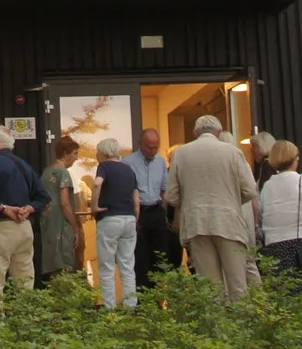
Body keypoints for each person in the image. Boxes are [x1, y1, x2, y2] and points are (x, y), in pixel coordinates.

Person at [169, 114, 258, 301]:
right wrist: (231, 201)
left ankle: (216, 319)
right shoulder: (233, 152)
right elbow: (250, 190)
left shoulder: (181, 154)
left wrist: (189, 203)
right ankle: (241, 318)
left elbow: (171, 196)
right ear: (219, 132)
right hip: (229, 222)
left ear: (195, 133)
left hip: (196, 223)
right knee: (238, 285)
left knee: (210, 289)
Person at [0, 128, 45, 306]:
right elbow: (44, 198)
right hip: (24, 227)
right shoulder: (24, 165)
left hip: (0, 227)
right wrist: (29, 208)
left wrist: (3, 208)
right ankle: (25, 320)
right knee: (24, 281)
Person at [256, 140, 302, 279]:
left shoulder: (267, 186)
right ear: (295, 159)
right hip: (301, 242)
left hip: (273, 245)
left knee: (280, 287)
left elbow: (262, 215)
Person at [90, 136, 141, 307]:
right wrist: (135, 216)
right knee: (127, 266)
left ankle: (109, 308)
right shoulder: (129, 169)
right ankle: (130, 306)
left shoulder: (104, 166)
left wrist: (94, 206)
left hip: (110, 219)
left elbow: (97, 184)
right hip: (129, 219)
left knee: (107, 267)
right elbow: (136, 196)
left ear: (103, 153)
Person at [126, 129, 178, 285]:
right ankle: (142, 294)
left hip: (156, 210)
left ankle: (158, 294)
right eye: (150, 147)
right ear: (140, 144)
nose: (153, 151)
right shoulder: (128, 163)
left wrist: (164, 213)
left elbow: (164, 190)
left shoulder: (161, 162)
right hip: (139, 212)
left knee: (161, 256)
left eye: (156, 147)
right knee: (141, 258)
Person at [35, 135, 82, 287]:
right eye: (74, 154)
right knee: (63, 260)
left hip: (47, 220)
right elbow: (65, 203)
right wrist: (76, 227)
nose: (76, 158)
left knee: (52, 260)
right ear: (65, 154)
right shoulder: (63, 173)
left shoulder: (46, 171)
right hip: (60, 221)